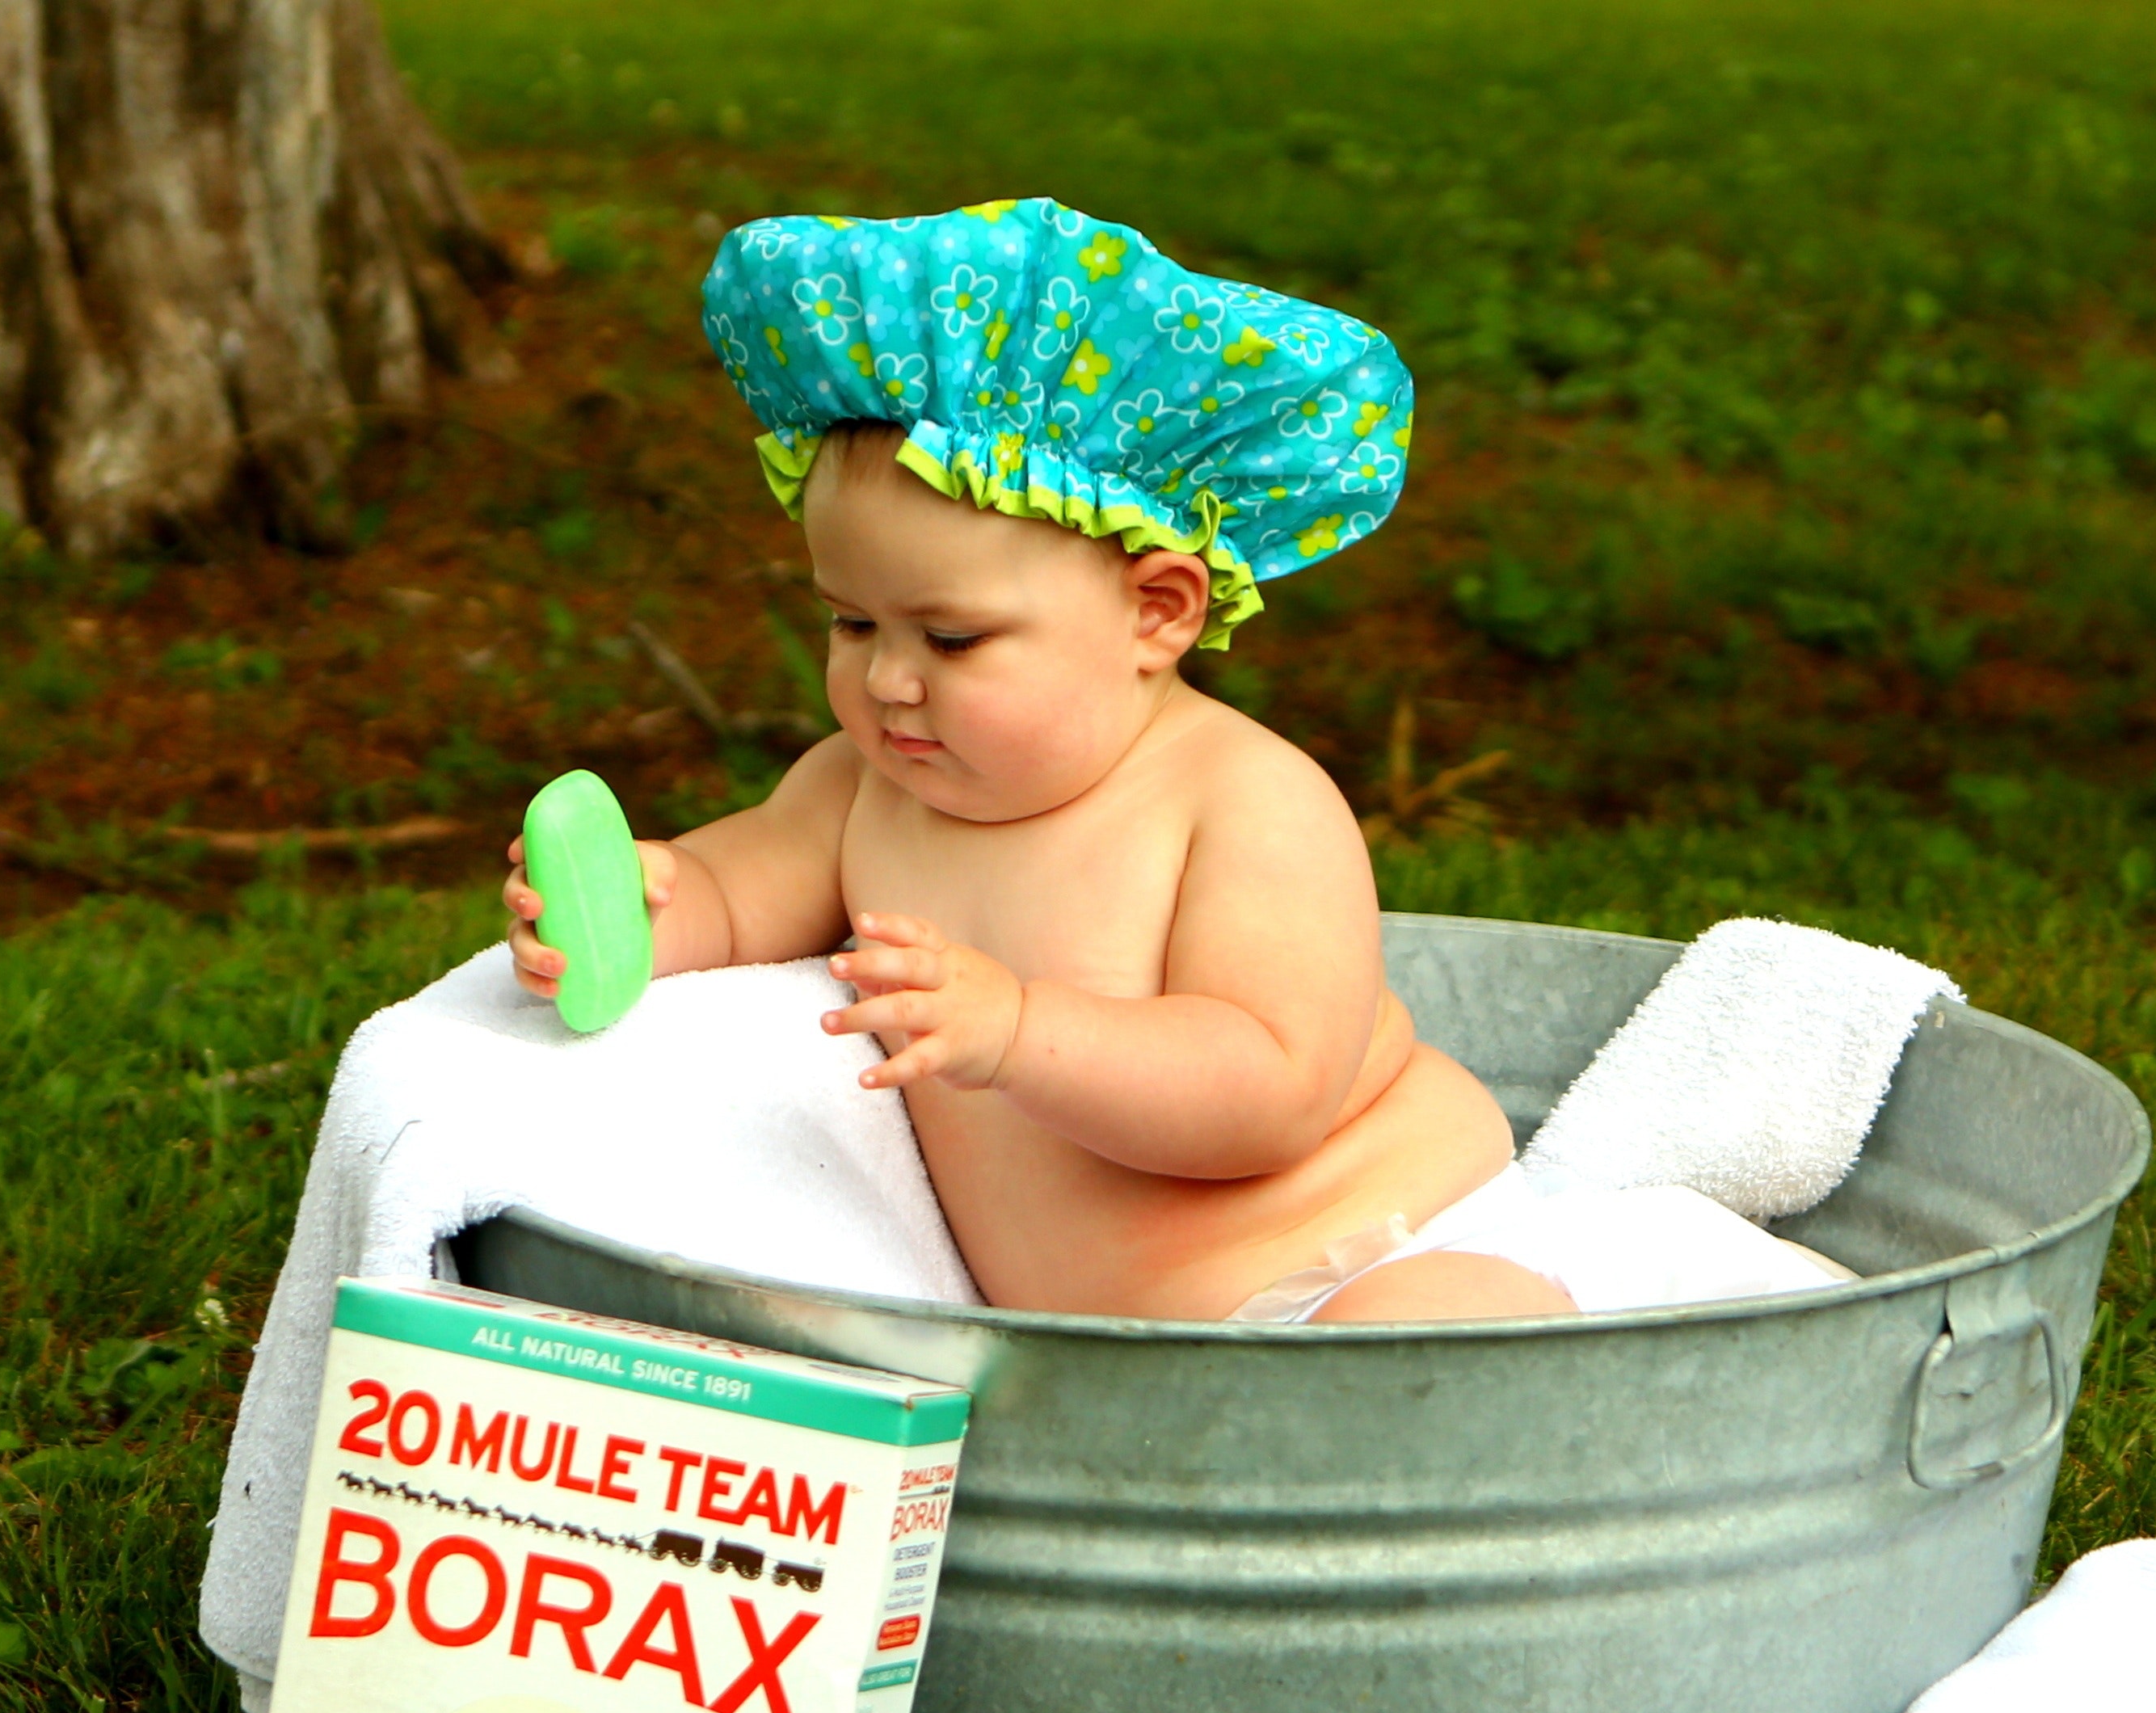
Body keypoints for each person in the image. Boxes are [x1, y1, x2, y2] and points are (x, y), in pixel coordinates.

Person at [504, 200, 1837, 1324]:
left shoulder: (1239, 802)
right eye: (852, 622)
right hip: (1126, 1348)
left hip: (1366, 1250)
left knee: (1439, 1343)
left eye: (953, 637)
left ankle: (1647, 1314)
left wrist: (1020, 1030)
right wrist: (643, 900)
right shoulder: (869, 782)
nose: (888, 679)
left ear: (1159, 612)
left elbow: (1263, 1092)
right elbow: (746, 896)